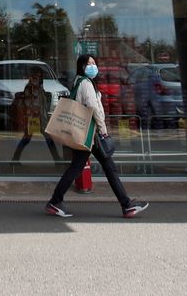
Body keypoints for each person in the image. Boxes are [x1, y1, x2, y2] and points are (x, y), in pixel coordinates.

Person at [46, 54, 148, 219]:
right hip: (91, 134)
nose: (93, 66)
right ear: (82, 66)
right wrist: (103, 129)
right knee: (106, 168)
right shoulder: (85, 84)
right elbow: (93, 107)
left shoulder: (81, 82)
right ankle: (126, 205)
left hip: (87, 134)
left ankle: (56, 201)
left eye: (94, 63)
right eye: (89, 64)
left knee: (94, 167)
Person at [11, 67, 60, 164]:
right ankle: (57, 159)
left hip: (38, 117)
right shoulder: (32, 88)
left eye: (40, 76)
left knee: (28, 138)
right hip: (35, 118)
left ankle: (15, 158)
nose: (39, 78)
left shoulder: (37, 87)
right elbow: (31, 103)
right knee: (42, 138)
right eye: (36, 76)